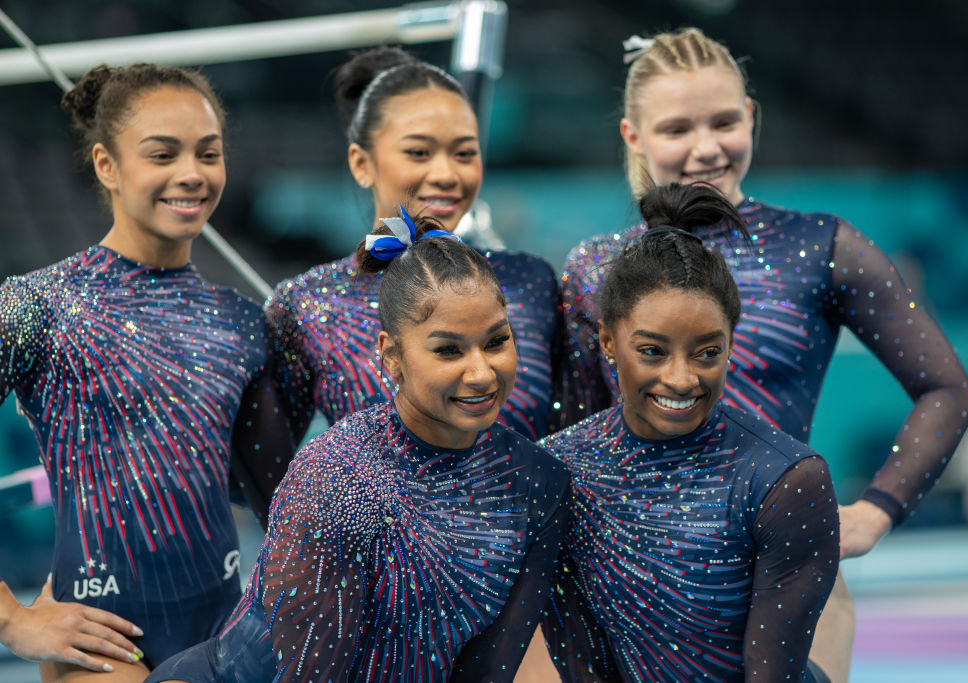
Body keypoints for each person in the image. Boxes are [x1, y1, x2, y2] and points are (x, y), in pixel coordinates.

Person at [557, 28, 968, 680]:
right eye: (677, 128)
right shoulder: (595, 270)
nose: (706, 147)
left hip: (790, 574)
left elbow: (948, 388)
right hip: (637, 585)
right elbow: (575, 429)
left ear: (752, 117)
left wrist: (876, 509)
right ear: (633, 137)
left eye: (724, 121)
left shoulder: (820, 246)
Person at [146, 211, 571, 683]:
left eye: (496, 341)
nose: (481, 373)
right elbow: (307, 673)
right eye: (448, 350)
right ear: (392, 356)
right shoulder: (339, 476)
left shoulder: (538, 483)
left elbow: (488, 670)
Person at [0, 63, 291, 681]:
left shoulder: (241, 322)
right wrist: (10, 620)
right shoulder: (36, 306)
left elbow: (282, 503)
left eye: (207, 154)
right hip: (100, 646)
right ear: (107, 164)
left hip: (224, 637)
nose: (191, 174)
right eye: (163, 153)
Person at [542, 182, 838, 682]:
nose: (681, 379)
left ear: (730, 343)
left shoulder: (785, 481)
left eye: (707, 352)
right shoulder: (558, 474)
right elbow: (580, 663)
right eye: (653, 351)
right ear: (608, 341)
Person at [267, 47, 561, 444]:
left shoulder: (530, 281)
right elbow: (268, 478)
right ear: (361, 164)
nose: (446, 173)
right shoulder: (307, 305)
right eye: (418, 152)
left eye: (464, 153)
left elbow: (572, 441)